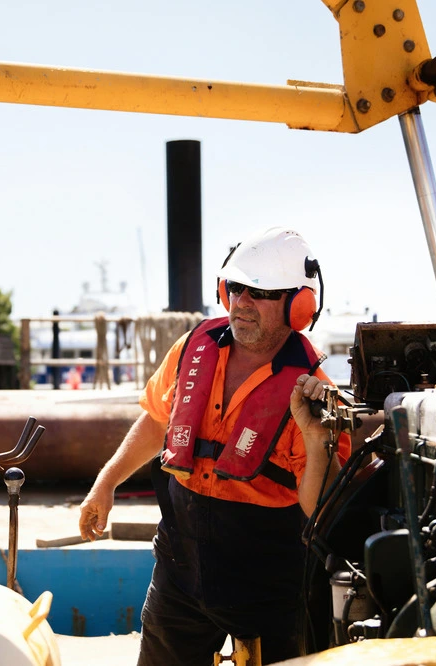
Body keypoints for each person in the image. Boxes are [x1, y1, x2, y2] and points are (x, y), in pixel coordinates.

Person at [78, 227, 351, 665]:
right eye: (236, 287)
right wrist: (106, 482)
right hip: (180, 570)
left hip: (270, 584)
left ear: (297, 306)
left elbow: (321, 511)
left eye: (260, 292)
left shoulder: (314, 394)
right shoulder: (192, 349)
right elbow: (156, 420)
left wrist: (318, 439)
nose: (242, 301)